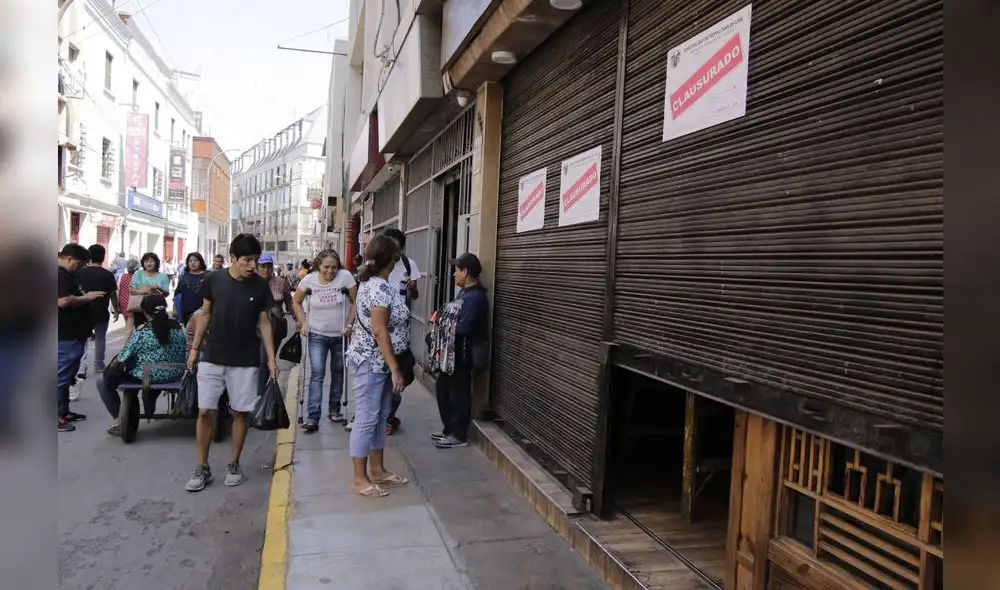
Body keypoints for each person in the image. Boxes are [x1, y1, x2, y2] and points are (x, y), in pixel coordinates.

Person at [186, 234, 278, 492]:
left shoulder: (260, 286)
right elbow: (205, 315)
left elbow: (264, 322)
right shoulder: (213, 279)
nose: (252, 265)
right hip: (212, 356)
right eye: (247, 260)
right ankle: (202, 467)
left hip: (245, 359)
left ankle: (234, 463)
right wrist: (195, 350)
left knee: (240, 412)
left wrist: (271, 358)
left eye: (256, 260)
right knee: (205, 411)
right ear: (233, 258)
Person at [345, 234, 411, 498]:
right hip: (373, 362)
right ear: (392, 260)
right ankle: (359, 478)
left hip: (378, 363)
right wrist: (395, 368)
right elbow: (380, 330)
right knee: (367, 417)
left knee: (380, 415)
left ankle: (377, 469)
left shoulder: (372, 284)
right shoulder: (380, 288)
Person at [95, 294, 186, 437]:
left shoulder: (142, 332)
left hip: (147, 376)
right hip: (175, 374)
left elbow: (123, 357)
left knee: (101, 381)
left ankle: (120, 419)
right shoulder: (178, 330)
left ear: (144, 311)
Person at [429, 253, 490, 449]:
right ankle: (449, 429)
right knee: (444, 389)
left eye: (457, 270)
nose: (454, 274)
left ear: (465, 272)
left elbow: (463, 327)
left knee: (459, 393)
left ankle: (459, 434)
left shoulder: (476, 298)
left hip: (463, 355)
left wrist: (442, 322)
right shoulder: (464, 293)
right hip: (452, 353)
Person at [293, 249, 357, 430]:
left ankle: (335, 410)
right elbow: (296, 301)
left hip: (340, 334)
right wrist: (303, 321)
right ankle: (313, 417)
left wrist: (350, 324)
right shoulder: (309, 280)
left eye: (334, 267)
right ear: (318, 266)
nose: (330, 271)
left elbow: (354, 302)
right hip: (317, 334)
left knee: (338, 372)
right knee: (317, 373)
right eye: (326, 267)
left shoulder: (345, 277)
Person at [58, 244, 105, 432]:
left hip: (75, 333)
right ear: (69, 258)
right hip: (64, 335)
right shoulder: (58, 275)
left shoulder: (69, 276)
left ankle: (63, 412)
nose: (81, 267)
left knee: (67, 376)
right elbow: (63, 301)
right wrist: (88, 298)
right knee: (60, 376)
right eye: (80, 263)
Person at [382, 228, 421, 433]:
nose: (393, 253)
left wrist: (412, 288)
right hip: (378, 328)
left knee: (397, 373)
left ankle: (389, 415)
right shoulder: (376, 265)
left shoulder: (408, 265)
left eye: (396, 249)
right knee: (379, 372)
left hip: (399, 331)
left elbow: (414, 296)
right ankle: (375, 412)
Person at [75, 244, 120, 373]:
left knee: (82, 339)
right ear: (103, 257)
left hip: (82, 310)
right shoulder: (107, 274)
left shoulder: (79, 272)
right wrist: (116, 310)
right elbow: (113, 294)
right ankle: (98, 364)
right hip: (101, 312)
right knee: (100, 338)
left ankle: (81, 367)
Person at [256, 254, 292, 396]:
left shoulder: (281, 282)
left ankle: (263, 392)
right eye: (262, 266)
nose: (266, 270)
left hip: (276, 326)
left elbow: (289, 302)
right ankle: (260, 392)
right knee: (261, 359)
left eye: (269, 266)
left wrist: (299, 321)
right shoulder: (252, 282)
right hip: (255, 326)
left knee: (267, 359)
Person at [129, 253, 170, 332]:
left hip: (157, 309)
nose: (148, 264)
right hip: (140, 308)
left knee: (158, 330)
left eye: (151, 261)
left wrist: (159, 288)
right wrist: (144, 291)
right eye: (146, 261)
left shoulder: (163, 276)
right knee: (141, 330)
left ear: (156, 262)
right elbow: (131, 289)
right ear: (143, 263)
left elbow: (166, 293)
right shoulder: (138, 274)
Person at [174, 252, 208, 325]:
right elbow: (177, 293)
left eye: (195, 260)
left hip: (203, 313)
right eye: (190, 261)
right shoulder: (184, 275)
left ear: (201, 262)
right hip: (186, 313)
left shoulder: (208, 275)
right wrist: (175, 309)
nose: (193, 263)